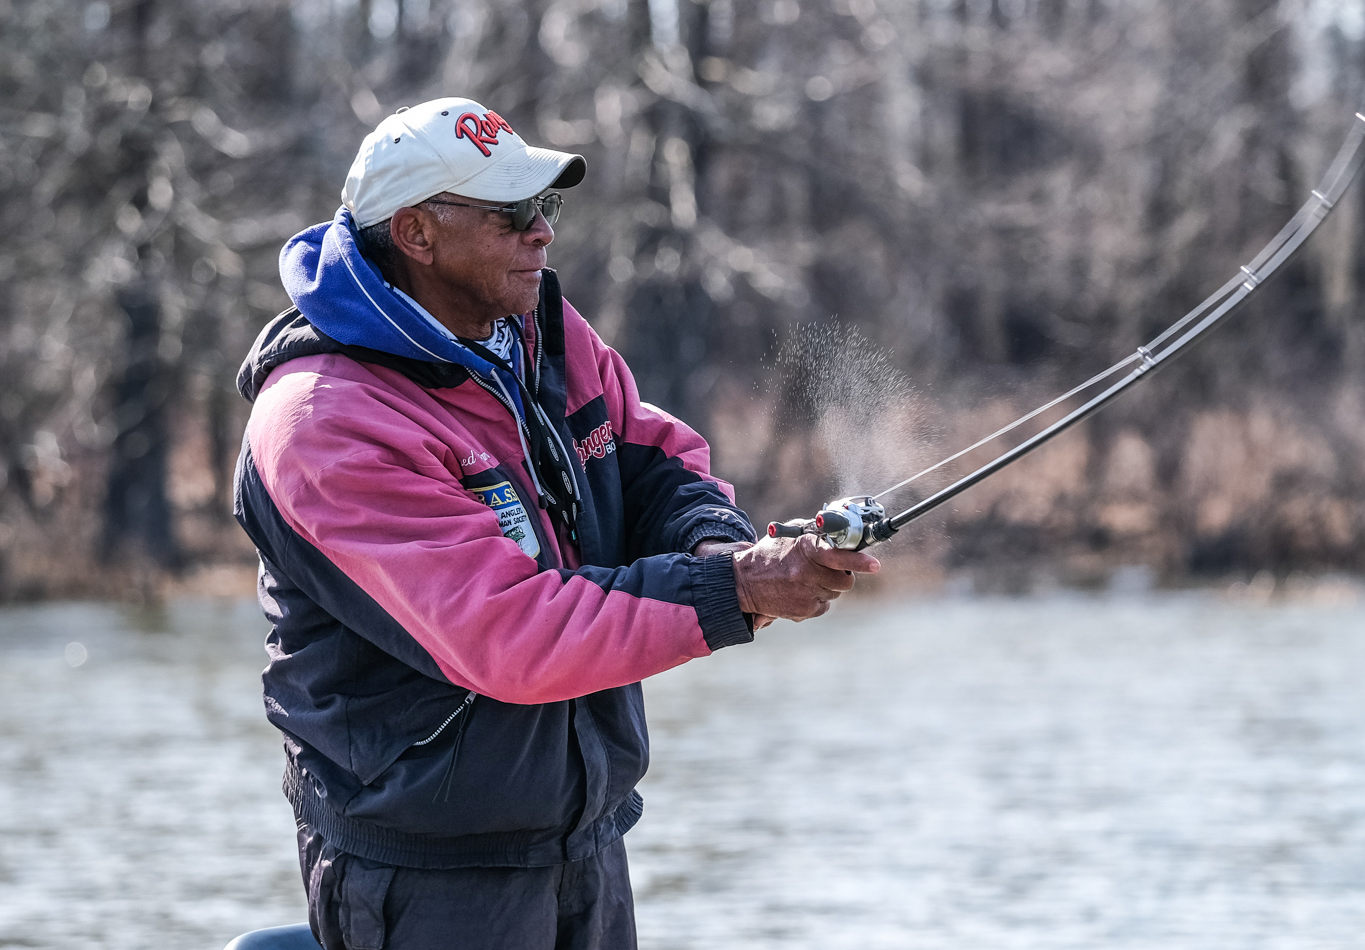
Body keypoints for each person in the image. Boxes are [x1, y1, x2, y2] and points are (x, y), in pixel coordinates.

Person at [232, 96, 879, 950]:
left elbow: (651, 458)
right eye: (510, 213)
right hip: (426, 875)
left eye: (545, 206)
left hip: (583, 841)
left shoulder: (536, 331)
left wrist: (723, 548)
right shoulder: (326, 421)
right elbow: (510, 632)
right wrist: (742, 588)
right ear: (418, 234)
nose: (540, 232)